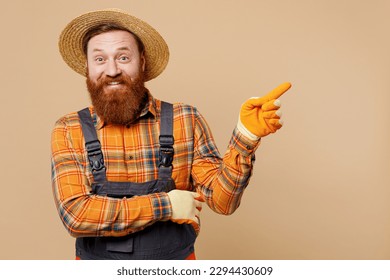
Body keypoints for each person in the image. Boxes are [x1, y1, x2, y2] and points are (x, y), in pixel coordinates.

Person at [51, 8, 292, 260]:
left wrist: (246, 137)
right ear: (87, 66)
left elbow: (223, 202)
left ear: (142, 62)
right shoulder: (70, 128)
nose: (112, 70)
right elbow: (76, 215)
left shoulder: (184, 119)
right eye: (100, 59)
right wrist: (166, 206)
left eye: (123, 57)